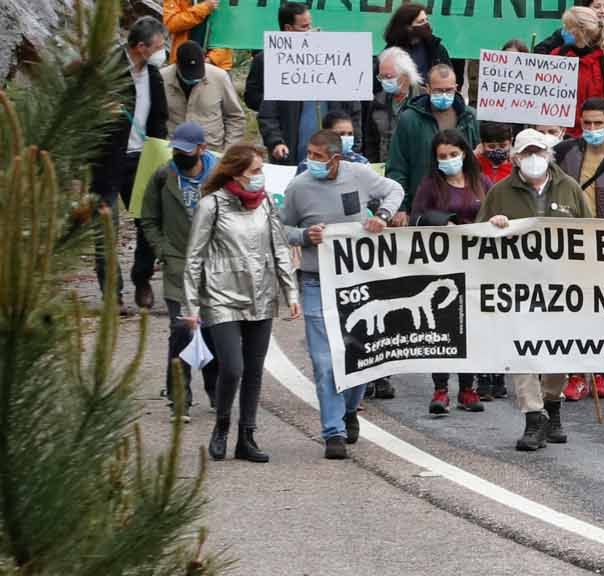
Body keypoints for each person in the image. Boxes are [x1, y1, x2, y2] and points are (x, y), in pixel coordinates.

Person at [281, 132, 404, 458]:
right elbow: (279, 228)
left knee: (358, 355)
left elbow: (395, 189)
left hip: (358, 283)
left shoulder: (359, 175)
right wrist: (304, 235)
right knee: (324, 362)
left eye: (318, 156)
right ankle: (332, 431)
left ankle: (350, 409)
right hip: (316, 282)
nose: (311, 161)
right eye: (309, 154)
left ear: (336, 159)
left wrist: (383, 216)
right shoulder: (298, 187)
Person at [180, 143, 299, 464]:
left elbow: (280, 248)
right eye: (255, 171)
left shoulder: (264, 206)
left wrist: (290, 293)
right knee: (232, 367)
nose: (261, 177)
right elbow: (194, 258)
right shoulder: (212, 205)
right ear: (235, 173)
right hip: (221, 297)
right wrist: (190, 306)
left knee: (254, 370)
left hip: (260, 295)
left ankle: (247, 436)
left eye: (261, 170)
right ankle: (222, 426)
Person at [481, 130, 594, 452]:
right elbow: (478, 240)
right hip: (518, 289)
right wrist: (494, 228)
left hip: (562, 288)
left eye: (539, 151)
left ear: (549, 155)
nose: (533, 158)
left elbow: (591, 235)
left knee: (558, 351)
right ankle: (533, 416)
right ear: (515, 158)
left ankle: (551, 405)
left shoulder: (570, 189)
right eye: (526, 152)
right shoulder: (500, 193)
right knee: (522, 351)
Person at [136, 121, 218, 419]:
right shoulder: (163, 175)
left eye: (186, 150)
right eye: (176, 149)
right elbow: (148, 219)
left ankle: (216, 388)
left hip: (214, 265)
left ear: (201, 149)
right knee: (182, 329)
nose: (180, 155)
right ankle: (179, 397)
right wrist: (163, 251)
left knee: (212, 330)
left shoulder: (219, 176)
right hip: (177, 266)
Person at [408, 129, 492, 414]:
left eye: (453, 155)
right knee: (444, 327)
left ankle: (469, 389)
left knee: (473, 329)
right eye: (442, 156)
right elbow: (415, 220)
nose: (448, 160)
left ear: (465, 154)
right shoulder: (431, 185)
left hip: (477, 266)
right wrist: (442, 224)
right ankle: (441, 388)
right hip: (442, 267)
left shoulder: (481, 183)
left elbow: (496, 213)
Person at [96, 16, 169, 311]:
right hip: (106, 162)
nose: (163, 51)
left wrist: (160, 150)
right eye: (159, 45)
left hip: (143, 158)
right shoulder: (107, 70)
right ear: (141, 46)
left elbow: (159, 117)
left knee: (149, 221)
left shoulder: (153, 73)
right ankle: (112, 295)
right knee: (106, 229)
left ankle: (142, 278)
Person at [246, 1, 361, 161]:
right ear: (288, 29)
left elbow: (353, 109)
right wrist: (276, 140)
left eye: (310, 25)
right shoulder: (273, 62)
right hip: (292, 152)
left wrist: (353, 143)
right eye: (304, 27)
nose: (311, 31)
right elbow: (265, 111)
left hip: (334, 155)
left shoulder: (330, 56)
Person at [387, 60, 478, 213]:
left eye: (449, 90)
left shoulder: (469, 117)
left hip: (464, 207)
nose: (444, 95)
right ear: (427, 88)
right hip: (422, 205)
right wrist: (400, 207)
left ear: (456, 88)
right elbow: (397, 167)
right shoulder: (409, 119)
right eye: (438, 90)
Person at [159, 40, 248, 152]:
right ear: (177, 64)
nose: (193, 79)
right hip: (173, 150)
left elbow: (235, 117)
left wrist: (228, 152)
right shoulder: (162, 78)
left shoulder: (219, 77)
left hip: (211, 150)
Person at [544, 5, 604, 128]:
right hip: (562, 131)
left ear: (582, 31)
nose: (564, 31)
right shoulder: (557, 55)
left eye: (568, 27)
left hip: (593, 129)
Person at [368, 45, 421, 162]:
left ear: (405, 76)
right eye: (381, 76)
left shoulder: (423, 100)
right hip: (384, 168)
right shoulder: (377, 102)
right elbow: (371, 140)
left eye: (388, 76)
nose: (384, 81)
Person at [384, 1, 454, 84]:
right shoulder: (390, 54)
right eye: (421, 22)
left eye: (426, 20)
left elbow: (449, 79)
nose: (426, 24)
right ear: (408, 27)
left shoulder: (437, 49)